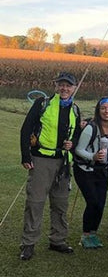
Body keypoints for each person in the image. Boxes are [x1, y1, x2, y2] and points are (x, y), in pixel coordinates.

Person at [19, 71, 82, 260]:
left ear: (74, 88)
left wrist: (73, 144)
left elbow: (77, 134)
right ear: (56, 86)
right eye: (61, 84)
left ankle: (58, 240)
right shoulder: (42, 103)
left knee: (60, 203)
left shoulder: (76, 109)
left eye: (68, 85)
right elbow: (26, 129)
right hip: (41, 159)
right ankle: (28, 243)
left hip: (63, 162)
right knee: (35, 202)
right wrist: (25, 155)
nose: (64, 88)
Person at [73, 97, 108, 249]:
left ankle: (93, 233)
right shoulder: (91, 128)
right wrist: (92, 156)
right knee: (92, 201)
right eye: (103, 108)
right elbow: (79, 150)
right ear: (98, 111)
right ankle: (85, 235)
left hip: (102, 171)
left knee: (100, 203)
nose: (107, 111)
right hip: (85, 169)